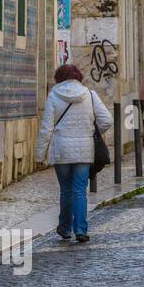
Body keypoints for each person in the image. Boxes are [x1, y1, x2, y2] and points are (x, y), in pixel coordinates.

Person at [35, 64, 113, 244]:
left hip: (61, 149)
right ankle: (80, 230)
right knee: (79, 190)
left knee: (66, 190)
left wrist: (40, 156)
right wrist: (92, 132)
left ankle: (64, 228)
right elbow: (107, 120)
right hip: (84, 150)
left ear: (59, 78)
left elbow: (46, 129)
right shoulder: (90, 95)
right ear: (78, 77)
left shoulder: (54, 95)